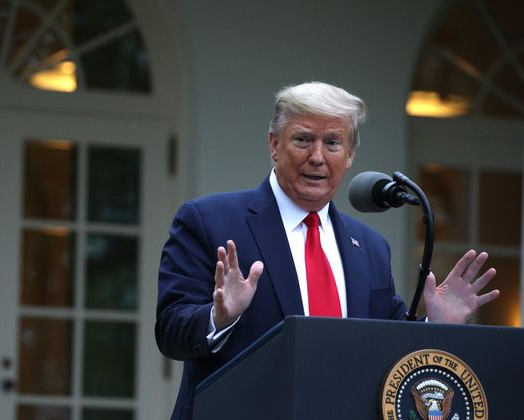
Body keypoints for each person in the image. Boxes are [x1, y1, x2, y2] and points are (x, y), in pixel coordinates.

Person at [154, 81, 499, 420]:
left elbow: (389, 347)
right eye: (303, 139)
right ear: (274, 144)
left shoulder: (370, 248)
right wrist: (218, 318)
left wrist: (434, 325)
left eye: (333, 143)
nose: (317, 157)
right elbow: (170, 331)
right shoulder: (209, 221)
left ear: (350, 155)